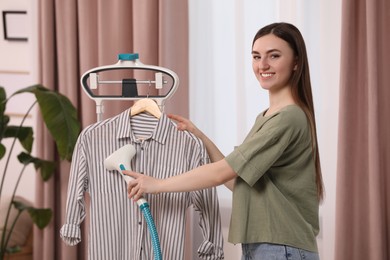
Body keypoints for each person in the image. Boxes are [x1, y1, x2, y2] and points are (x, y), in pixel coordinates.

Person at [124, 22, 324, 260]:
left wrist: (157, 185)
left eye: (274, 56)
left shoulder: (288, 118)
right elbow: (235, 181)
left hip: (281, 249)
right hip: (266, 246)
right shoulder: (267, 117)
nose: (263, 65)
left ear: (296, 62)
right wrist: (201, 137)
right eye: (256, 56)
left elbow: (221, 173)